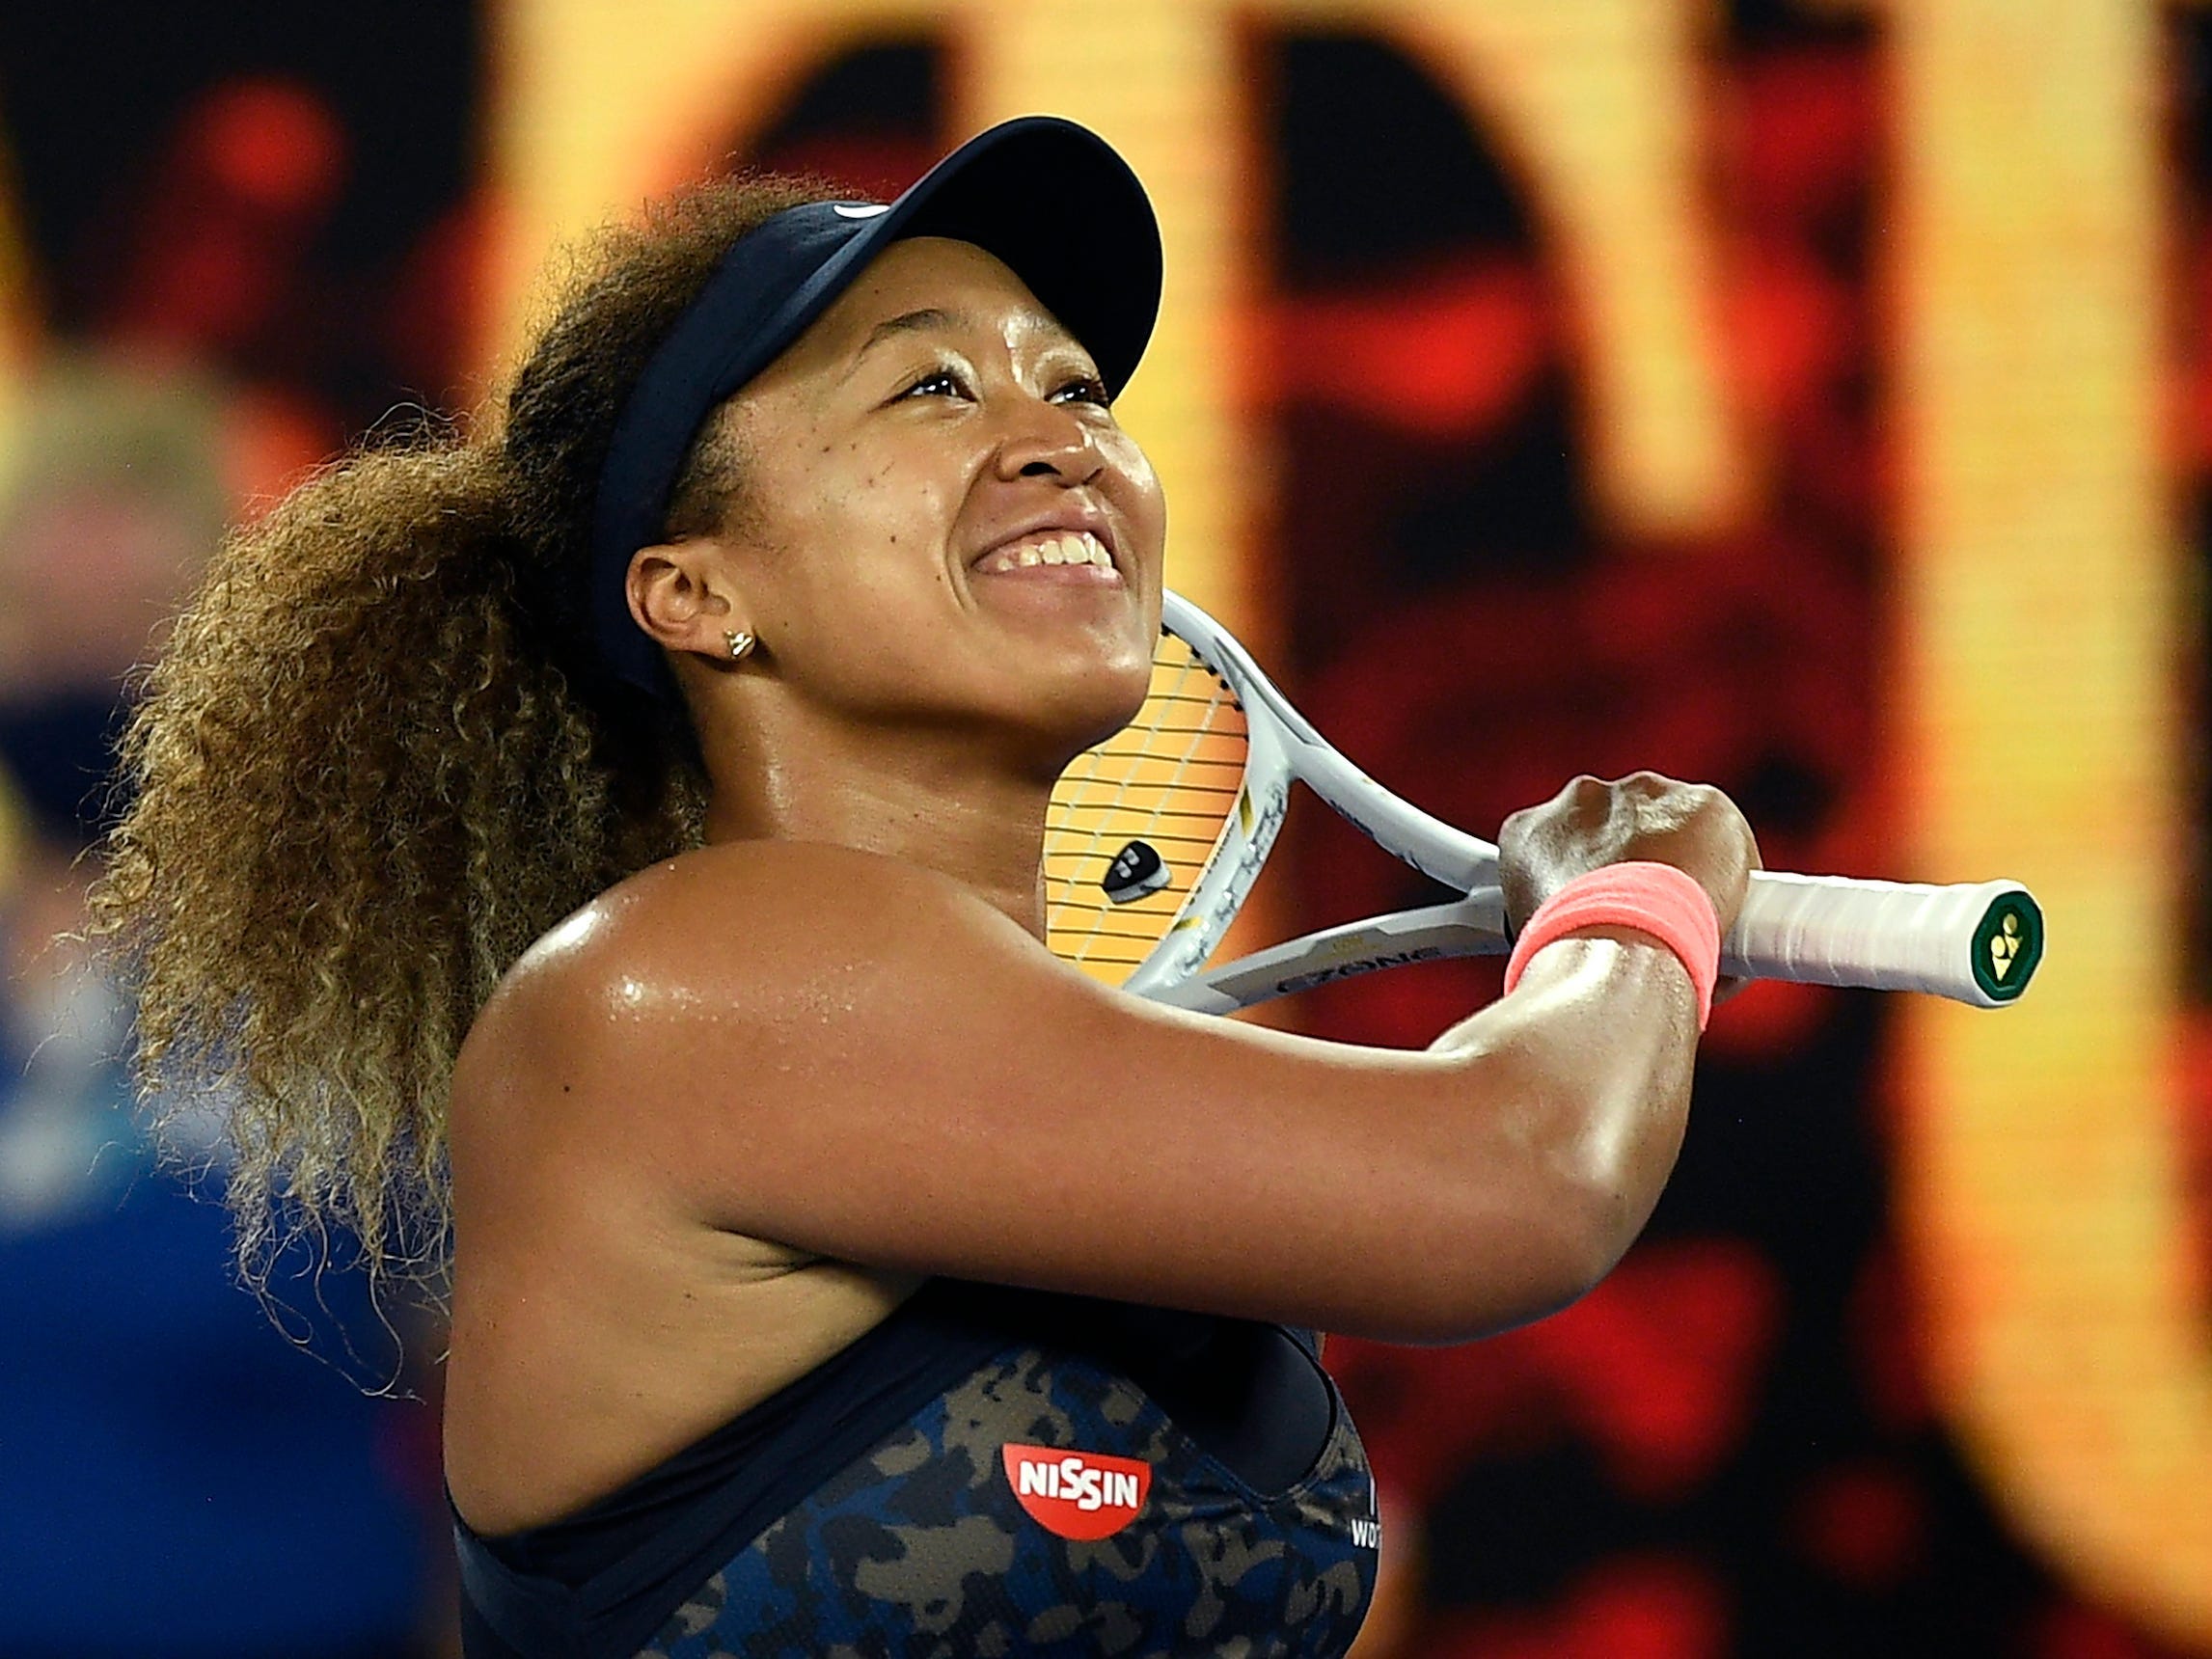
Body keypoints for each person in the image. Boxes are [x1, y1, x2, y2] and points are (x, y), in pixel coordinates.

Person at [89, 118, 1758, 1658]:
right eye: (933, 392)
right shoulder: (701, 980)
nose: (1059, 443)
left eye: (1079, 387)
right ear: (695, 593)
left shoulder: (951, 1059)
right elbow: (1517, 1182)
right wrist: (1640, 899)